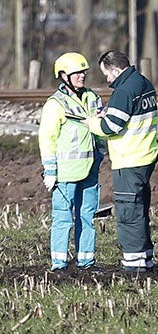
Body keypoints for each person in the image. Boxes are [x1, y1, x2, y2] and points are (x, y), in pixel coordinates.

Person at [93, 49, 158, 272]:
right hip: (146, 155)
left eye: (107, 75)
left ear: (115, 69)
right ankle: (145, 258)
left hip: (129, 159)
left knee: (128, 212)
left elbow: (110, 127)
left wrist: (92, 123)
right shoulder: (144, 82)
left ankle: (134, 264)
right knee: (140, 210)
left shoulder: (123, 90)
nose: (107, 80)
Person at [38, 52, 104, 273]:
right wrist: (50, 171)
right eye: (77, 73)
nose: (82, 76)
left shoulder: (93, 98)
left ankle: (86, 262)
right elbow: (47, 138)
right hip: (65, 174)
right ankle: (59, 265)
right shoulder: (55, 104)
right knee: (63, 219)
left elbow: (99, 130)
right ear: (63, 75)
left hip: (89, 170)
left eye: (83, 72)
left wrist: (100, 154)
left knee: (87, 217)